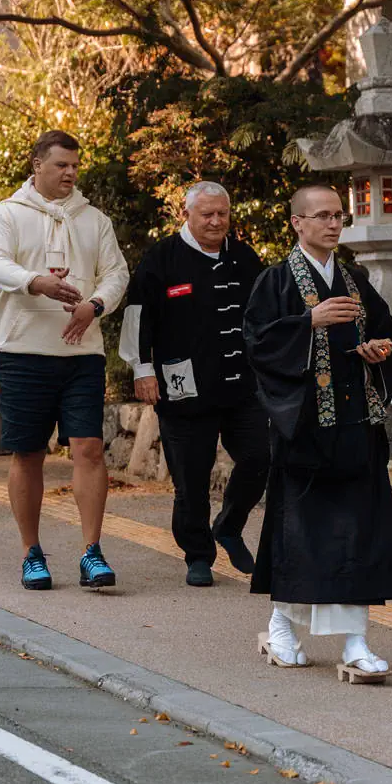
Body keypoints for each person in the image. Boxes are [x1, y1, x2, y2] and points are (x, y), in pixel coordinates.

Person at [243, 183, 392, 681]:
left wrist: (379, 350)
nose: (333, 224)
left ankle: (357, 641)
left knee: (359, 532)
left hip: (356, 426)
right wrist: (308, 321)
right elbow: (257, 345)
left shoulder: (355, 279)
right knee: (302, 533)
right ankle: (280, 623)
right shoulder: (275, 281)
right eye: (321, 216)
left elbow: (385, 332)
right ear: (297, 222)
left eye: (339, 215)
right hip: (305, 428)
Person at [0, 130, 129, 591]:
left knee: (88, 449)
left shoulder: (94, 219)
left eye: (74, 166)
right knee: (28, 453)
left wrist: (96, 306)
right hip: (23, 350)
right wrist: (35, 282)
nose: (70, 173)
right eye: (61, 165)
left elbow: (117, 272)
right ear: (37, 164)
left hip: (82, 352)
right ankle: (32, 554)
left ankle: (92, 553)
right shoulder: (7, 214)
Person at [119, 181, 269, 588]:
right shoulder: (161, 258)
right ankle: (198, 554)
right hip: (181, 384)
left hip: (241, 384)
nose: (217, 221)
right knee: (192, 478)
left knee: (260, 457)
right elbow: (137, 316)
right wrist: (142, 369)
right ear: (187, 214)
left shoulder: (243, 256)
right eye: (208, 214)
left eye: (223, 213)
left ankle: (229, 524)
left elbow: (263, 314)